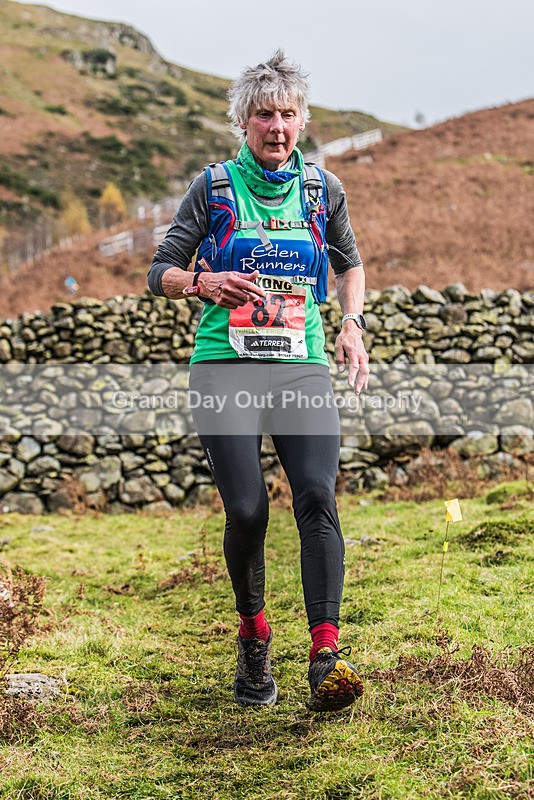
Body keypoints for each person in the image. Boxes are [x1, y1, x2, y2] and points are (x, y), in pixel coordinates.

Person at [148, 50, 370, 712]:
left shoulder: (321, 191)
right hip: (225, 367)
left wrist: (353, 324)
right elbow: (158, 269)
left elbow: (350, 264)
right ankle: (253, 637)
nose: (278, 125)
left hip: (300, 366)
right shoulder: (213, 188)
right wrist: (201, 280)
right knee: (247, 510)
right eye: (265, 113)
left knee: (316, 499)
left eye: (289, 113)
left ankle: (325, 654)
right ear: (244, 121)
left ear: (303, 120)